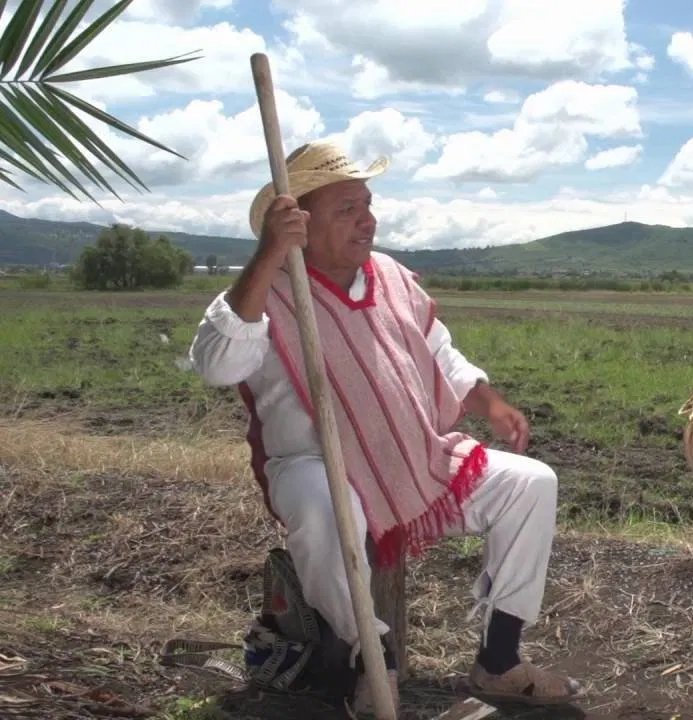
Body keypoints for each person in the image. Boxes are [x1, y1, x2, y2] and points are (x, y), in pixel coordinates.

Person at [188, 140, 585, 714]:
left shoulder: (392, 275)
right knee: (327, 506)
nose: (367, 220)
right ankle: (373, 660)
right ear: (297, 221)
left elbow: (438, 351)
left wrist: (489, 403)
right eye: (346, 209)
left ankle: (499, 661)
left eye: (367, 205)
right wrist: (270, 254)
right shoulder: (266, 290)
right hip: (316, 465)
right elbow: (216, 364)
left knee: (531, 483)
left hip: (412, 453)